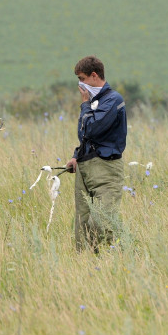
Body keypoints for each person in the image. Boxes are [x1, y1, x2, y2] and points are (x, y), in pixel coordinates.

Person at [65, 56, 127, 252]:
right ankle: (87, 267)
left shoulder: (113, 101)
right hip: (85, 167)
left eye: (82, 78)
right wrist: (76, 156)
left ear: (94, 76)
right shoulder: (93, 101)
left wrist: (84, 106)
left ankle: (125, 254)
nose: (80, 84)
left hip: (106, 169)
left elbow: (92, 129)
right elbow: (85, 136)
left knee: (100, 221)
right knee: (82, 226)